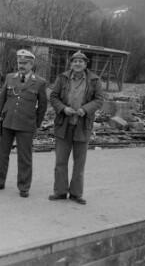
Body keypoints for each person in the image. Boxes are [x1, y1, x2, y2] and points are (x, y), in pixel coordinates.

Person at [0, 49, 47, 198]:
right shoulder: (10, 78)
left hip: (26, 125)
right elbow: (1, 99)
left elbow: (43, 106)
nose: (21, 65)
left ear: (31, 64)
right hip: (7, 122)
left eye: (25, 63)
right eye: (20, 62)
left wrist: (37, 124)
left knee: (24, 157)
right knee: (2, 154)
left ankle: (24, 187)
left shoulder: (39, 82)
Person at [48, 51, 103, 205]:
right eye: (74, 61)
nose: (77, 64)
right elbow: (53, 96)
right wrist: (63, 108)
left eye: (81, 61)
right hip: (63, 125)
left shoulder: (94, 80)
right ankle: (60, 192)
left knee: (79, 163)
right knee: (60, 161)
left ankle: (76, 194)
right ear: (71, 64)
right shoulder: (62, 78)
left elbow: (99, 100)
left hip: (82, 126)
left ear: (86, 64)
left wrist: (85, 109)